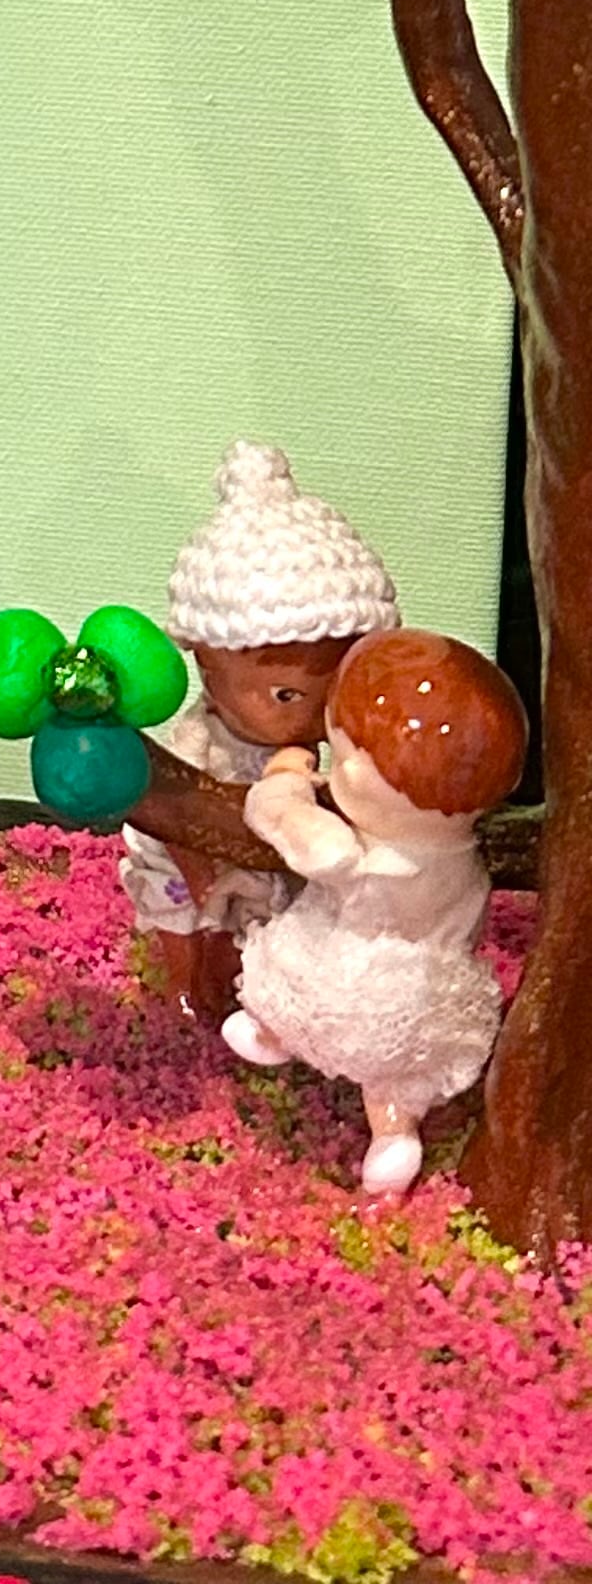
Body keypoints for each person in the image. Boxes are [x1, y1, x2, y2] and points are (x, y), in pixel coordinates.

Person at [225, 626, 529, 1194]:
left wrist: (285, 780)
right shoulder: (464, 861)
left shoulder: (351, 853)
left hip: (345, 977)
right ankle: (393, 1137)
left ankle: (272, 1031)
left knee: (293, 978)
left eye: (340, 756)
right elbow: (470, 923)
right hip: (423, 992)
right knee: (394, 1078)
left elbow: (284, 825)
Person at [120, 440, 399, 1019]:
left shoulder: (311, 744)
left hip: (273, 852)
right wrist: (201, 873)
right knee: (184, 915)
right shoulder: (201, 745)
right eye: (286, 696)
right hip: (192, 856)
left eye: (333, 687)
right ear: (208, 670)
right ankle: (184, 980)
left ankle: (265, 993)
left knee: (277, 922)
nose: (313, 714)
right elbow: (175, 813)